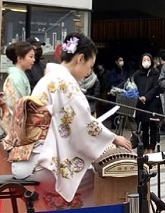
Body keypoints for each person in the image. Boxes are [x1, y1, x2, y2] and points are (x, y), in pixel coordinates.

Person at [9, 33, 133, 207]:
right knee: (102, 177)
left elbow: (76, 124)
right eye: (90, 66)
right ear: (80, 59)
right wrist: (113, 139)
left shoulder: (49, 79)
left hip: (29, 158)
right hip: (43, 164)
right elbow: (83, 127)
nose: (89, 71)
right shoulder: (65, 84)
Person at [131, 53, 162, 154]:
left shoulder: (155, 73)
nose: (146, 62)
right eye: (144, 60)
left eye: (148, 60)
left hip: (152, 103)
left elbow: (156, 87)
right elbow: (132, 84)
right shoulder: (137, 74)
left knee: (153, 126)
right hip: (141, 104)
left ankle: (151, 148)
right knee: (144, 126)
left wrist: (147, 97)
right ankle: (144, 147)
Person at [4, 42, 36, 111]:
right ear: (20, 58)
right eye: (31, 56)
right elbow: (18, 103)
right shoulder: (16, 77)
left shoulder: (18, 75)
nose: (33, 60)